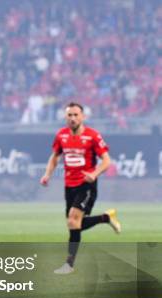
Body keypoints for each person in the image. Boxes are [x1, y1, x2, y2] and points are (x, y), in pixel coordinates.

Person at [40, 102, 121, 275]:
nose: (73, 118)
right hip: (69, 185)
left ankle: (69, 265)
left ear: (83, 117)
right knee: (74, 224)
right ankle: (106, 218)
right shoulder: (61, 136)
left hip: (87, 185)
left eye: (76, 115)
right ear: (65, 117)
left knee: (72, 221)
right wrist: (47, 174)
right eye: (69, 115)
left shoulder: (92, 136)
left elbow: (107, 161)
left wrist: (95, 173)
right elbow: (55, 157)